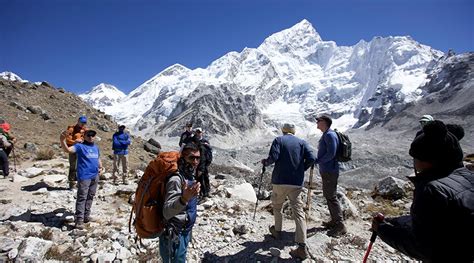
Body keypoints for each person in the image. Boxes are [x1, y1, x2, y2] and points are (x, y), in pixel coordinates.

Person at [372, 120, 474, 262]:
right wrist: (397, 222)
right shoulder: (469, 176)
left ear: (425, 161)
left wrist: (382, 229)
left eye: (415, 157)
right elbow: (443, 221)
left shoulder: (431, 190)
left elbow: (422, 247)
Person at [261, 123, 316, 260]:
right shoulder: (302, 142)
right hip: (296, 183)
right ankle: (302, 246)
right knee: (299, 213)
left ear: (283, 131)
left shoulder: (279, 140)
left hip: (279, 180)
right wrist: (300, 169)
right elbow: (312, 159)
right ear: (294, 131)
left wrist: (265, 162)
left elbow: (273, 157)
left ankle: (277, 231)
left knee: (277, 206)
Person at [160, 143, 201, 263]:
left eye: (198, 158)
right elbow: (167, 212)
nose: (195, 162)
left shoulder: (189, 177)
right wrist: (184, 199)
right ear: (183, 158)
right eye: (192, 158)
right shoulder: (176, 180)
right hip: (173, 233)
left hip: (183, 231)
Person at [60, 130, 102, 230]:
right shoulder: (80, 146)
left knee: (90, 196)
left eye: (93, 135)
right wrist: (62, 140)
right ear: (84, 136)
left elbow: (98, 158)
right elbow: (68, 150)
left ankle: (86, 216)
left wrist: (101, 167)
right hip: (84, 176)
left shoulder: (96, 147)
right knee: (82, 197)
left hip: (95, 175)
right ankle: (79, 220)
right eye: (88, 135)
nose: (91, 137)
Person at [314, 115, 347, 237]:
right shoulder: (327, 134)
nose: (317, 122)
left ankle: (340, 225)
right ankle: (334, 221)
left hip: (330, 170)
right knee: (329, 195)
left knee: (331, 196)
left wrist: (318, 161)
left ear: (325, 122)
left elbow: (331, 153)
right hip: (328, 170)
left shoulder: (329, 135)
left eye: (319, 121)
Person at [64, 116, 88, 189]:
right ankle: (72, 183)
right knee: (73, 166)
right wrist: (75, 141)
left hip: (82, 150)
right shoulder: (71, 129)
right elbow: (67, 140)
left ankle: (80, 182)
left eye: (84, 122)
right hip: (73, 149)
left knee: (81, 166)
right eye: (82, 122)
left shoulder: (84, 130)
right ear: (78, 121)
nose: (83, 124)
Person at [192, 128, 213, 197]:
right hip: (198, 163)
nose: (198, 133)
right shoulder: (194, 141)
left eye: (199, 132)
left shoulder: (205, 142)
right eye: (197, 132)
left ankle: (206, 192)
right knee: (200, 178)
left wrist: (207, 162)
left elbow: (208, 153)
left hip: (204, 163)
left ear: (202, 133)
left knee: (204, 177)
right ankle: (202, 193)